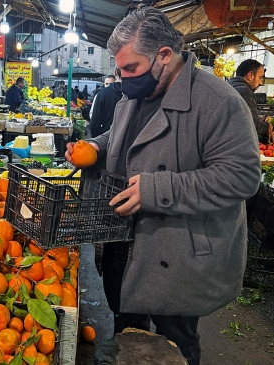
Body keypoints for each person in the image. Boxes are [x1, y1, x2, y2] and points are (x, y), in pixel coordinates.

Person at [65, 7, 261, 365]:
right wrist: (96, 146)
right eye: (120, 68)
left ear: (164, 56)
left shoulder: (218, 102)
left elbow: (242, 175)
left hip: (180, 249)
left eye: (131, 68)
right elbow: (121, 136)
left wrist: (157, 189)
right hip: (126, 239)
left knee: (176, 341)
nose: (123, 78)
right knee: (127, 332)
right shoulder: (136, 95)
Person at [228, 59, 274, 144]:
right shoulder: (245, 91)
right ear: (250, 75)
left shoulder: (228, 86)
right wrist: (267, 126)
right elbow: (253, 125)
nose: (261, 82)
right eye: (260, 78)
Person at [89, 68, 122, 137]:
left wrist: (96, 141)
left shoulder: (103, 93)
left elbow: (95, 123)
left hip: (105, 138)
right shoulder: (138, 94)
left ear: (115, 73)